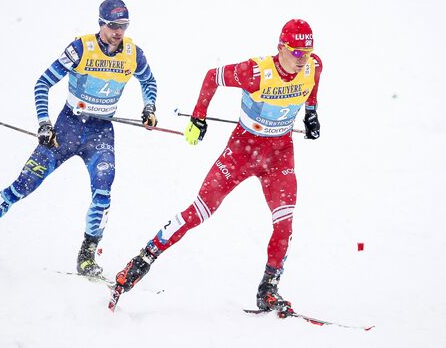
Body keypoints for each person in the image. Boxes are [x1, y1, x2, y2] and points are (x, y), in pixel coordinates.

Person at [0, 0, 158, 284]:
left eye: (123, 25)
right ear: (101, 23)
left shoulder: (133, 53)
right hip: (66, 130)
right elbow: (43, 83)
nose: (118, 31)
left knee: (103, 192)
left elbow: (149, 81)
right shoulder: (80, 48)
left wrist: (149, 108)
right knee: (22, 187)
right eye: (113, 25)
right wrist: (43, 123)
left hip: (100, 134)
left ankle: (86, 257)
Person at [111, 19, 322, 316]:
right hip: (242, 152)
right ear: (281, 48)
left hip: (279, 155)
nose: (303, 59)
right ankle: (142, 260)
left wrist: (311, 114)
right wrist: (199, 117)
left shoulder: (313, 66)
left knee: (284, 224)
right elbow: (213, 77)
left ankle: (268, 290)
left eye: (308, 52)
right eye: (297, 52)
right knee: (199, 211)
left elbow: (313, 86)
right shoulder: (256, 72)